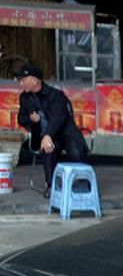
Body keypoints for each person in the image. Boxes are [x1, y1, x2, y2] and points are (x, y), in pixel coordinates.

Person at [14, 62, 89, 195]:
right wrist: (30, 119)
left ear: (35, 80)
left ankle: (84, 182)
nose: (21, 83)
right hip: (44, 137)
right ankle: (51, 185)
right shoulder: (24, 98)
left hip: (65, 134)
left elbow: (59, 117)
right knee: (48, 149)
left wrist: (48, 134)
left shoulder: (55, 95)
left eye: (23, 80)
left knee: (76, 150)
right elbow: (20, 119)